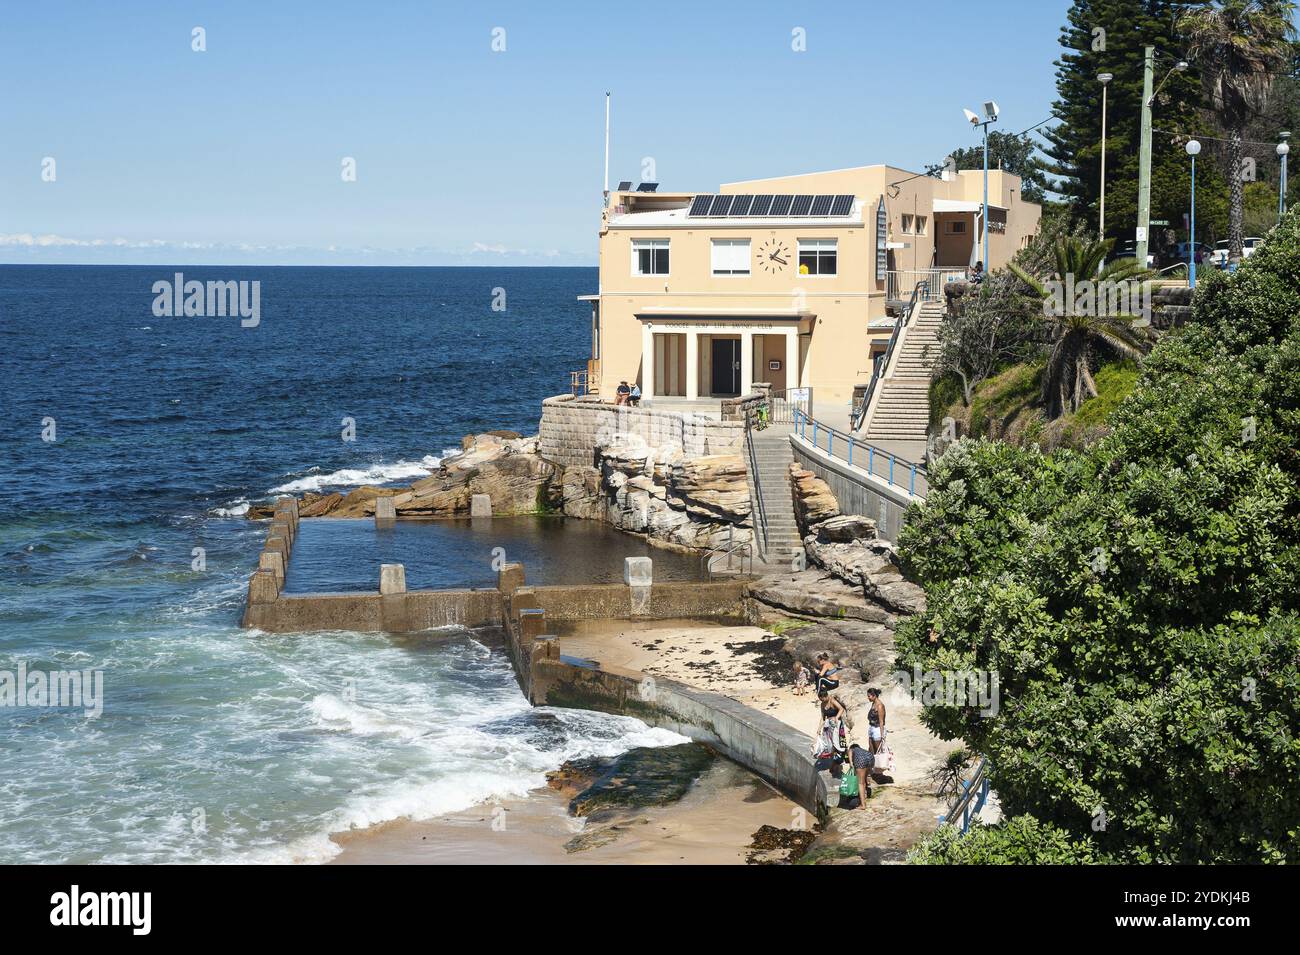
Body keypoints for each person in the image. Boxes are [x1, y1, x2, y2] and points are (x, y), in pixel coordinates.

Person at [866, 687, 887, 758]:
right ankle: (873, 767)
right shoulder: (873, 703)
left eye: (869, 696)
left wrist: (882, 735)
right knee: (871, 750)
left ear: (874, 696)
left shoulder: (880, 706)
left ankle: (880, 767)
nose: (868, 698)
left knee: (878, 752)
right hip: (872, 728)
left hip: (877, 730)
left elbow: (881, 721)